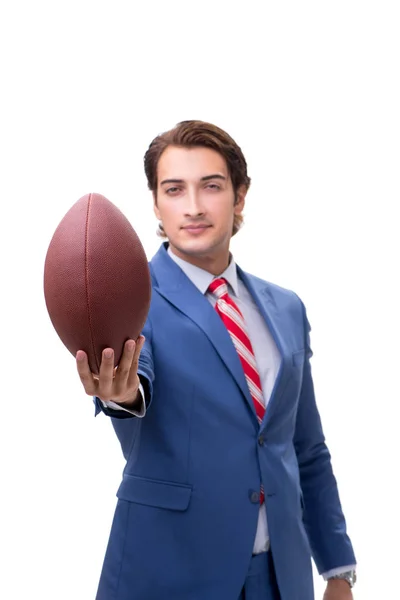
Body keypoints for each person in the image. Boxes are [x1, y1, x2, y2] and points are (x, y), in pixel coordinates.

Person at [76, 120, 357, 600]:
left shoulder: (286, 307)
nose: (193, 206)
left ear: (240, 197)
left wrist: (336, 568)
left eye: (211, 186)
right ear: (156, 203)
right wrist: (123, 395)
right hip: (170, 570)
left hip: (280, 579)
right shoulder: (132, 298)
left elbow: (305, 448)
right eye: (174, 189)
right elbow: (133, 383)